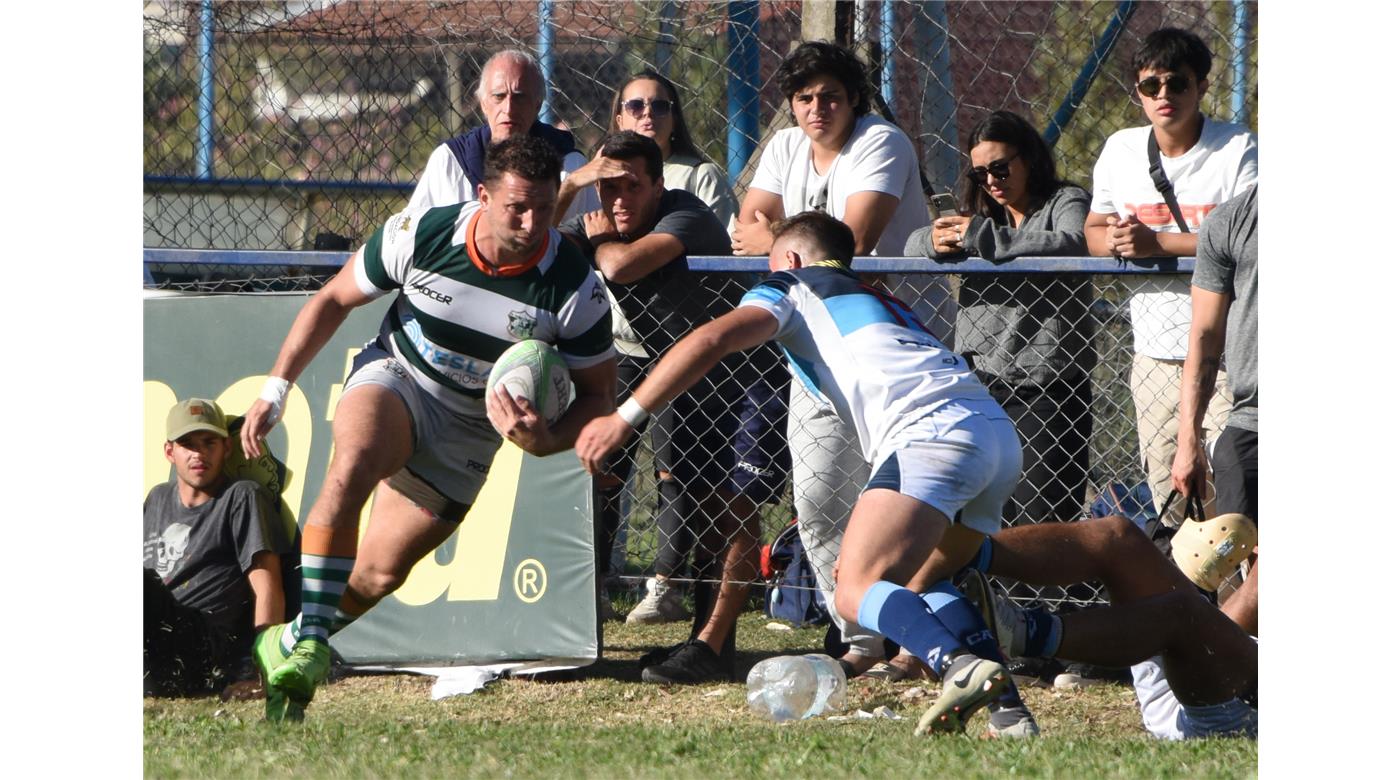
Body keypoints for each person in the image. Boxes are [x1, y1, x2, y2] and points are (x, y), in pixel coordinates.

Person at [578, 213, 1037, 737]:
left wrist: (624, 416)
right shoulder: (880, 297)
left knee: (853, 587)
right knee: (925, 579)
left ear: (789, 259)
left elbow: (710, 341)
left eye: (769, 262)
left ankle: (958, 665)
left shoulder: (792, 283)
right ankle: (1010, 715)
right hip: (996, 434)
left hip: (929, 437)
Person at [242, 135, 617, 722]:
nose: (531, 221)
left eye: (544, 207)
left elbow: (599, 397)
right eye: (516, 206)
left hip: (473, 428)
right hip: (401, 377)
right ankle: (312, 641)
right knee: (354, 463)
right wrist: (277, 386)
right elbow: (335, 298)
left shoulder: (574, 285)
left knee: (381, 572)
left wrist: (546, 439)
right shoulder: (424, 232)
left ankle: (285, 644)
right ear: (481, 194)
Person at [730, 40, 953, 679]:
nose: (817, 107)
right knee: (821, 494)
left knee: (909, 502)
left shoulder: (882, 143)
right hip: (816, 351)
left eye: (830, 94)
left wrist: (769, 238)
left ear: (854, 96)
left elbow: (848, 243)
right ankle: (859, 639)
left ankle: (920, 642)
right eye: (804, 98)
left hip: (896, 349)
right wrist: (769, 234)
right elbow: (749, 217)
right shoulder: (782, 148)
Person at [560, 131, 787, 679]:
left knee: (733, 509)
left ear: (658, 186)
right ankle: (709, 646)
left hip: (748, 376)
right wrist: (571, 185)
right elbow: (533, 242)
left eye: (631, 186)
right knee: (701, 511)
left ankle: (710, 648)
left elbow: (621, 267)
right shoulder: (595, 218)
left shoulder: (688, 215)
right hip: (687, 382)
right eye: (608, 187)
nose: (618, 199)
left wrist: (597, 242)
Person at [1083, 27, 1257, 526]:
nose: (1164, 96)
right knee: (1172, 501)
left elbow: (1253, 236)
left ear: (1201, 86)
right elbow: (1093, 230)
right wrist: (1116, 241)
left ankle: (1238, 604)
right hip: (1155, 352)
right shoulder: (1120, 149)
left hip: (1230, 356)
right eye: (1150, 86)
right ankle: (1185, 604)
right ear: (1136, 90)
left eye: (1177, 84)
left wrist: (1157, 244)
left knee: (1235, 504)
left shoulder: (1238, 148)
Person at [907, 109, 1094, 527]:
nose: (991, 181)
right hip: (982, 385)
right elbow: (911, 244)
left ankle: (1045, 595)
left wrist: (980, 237)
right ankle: (989, 594)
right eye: (979, 174)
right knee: (978, 514)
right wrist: (937, 240)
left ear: (1028, 158)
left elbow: (1074, 243)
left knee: (1041, 518)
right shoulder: (984, 216)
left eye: (1000, 167)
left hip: (1047, 386)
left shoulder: (1065, 201)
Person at [953, 514, 1256, 740]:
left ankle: (1019, 632)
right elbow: (1226, 633)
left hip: (1238, 710)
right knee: (1119, 536)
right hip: (1227, 674)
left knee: (1182, 613)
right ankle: (953, 557)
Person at [145, 399, 292, 698]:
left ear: (226, 448)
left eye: (209, 442)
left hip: (200, 648)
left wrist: (264, 676)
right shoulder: (157, 498)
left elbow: (268, 589)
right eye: (188, 444)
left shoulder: (241, 498)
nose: (199, 454)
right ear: (170, 452)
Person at [1171, 185, 1258, 634]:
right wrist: (1189, 439)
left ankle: (1214, 670)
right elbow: (1203, 335)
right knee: (1241, 569)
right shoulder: (1232, 220)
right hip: (1251, 422)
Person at [407, 49, 600, 221]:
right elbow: (411, 236)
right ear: (483, 104)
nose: (508, 109)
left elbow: (585, 242)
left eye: (520, 97)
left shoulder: (569, 166)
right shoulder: (450, 161)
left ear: (537, 105)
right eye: (499, 96)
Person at [558, 69, 738, 227]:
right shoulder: (595, 175)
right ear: (619, 120)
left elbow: (724, 251)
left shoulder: (701, 176)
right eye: (635, 106)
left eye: (660, 106)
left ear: (674, 120)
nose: (647, 113)